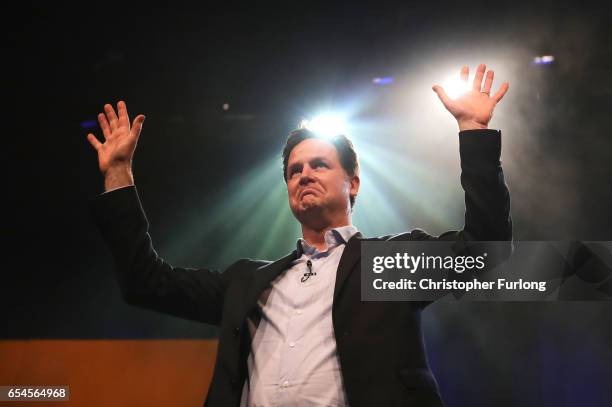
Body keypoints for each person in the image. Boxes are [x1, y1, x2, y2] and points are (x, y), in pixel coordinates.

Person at [88, 64, 511, 407]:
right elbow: (146, 282)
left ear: (355, 183)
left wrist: (473, 130)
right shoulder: (247, 283)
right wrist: (118, 175)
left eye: (319, 165)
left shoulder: (389, 265)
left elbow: (485, 249)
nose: (304, 173)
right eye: (294, 170)